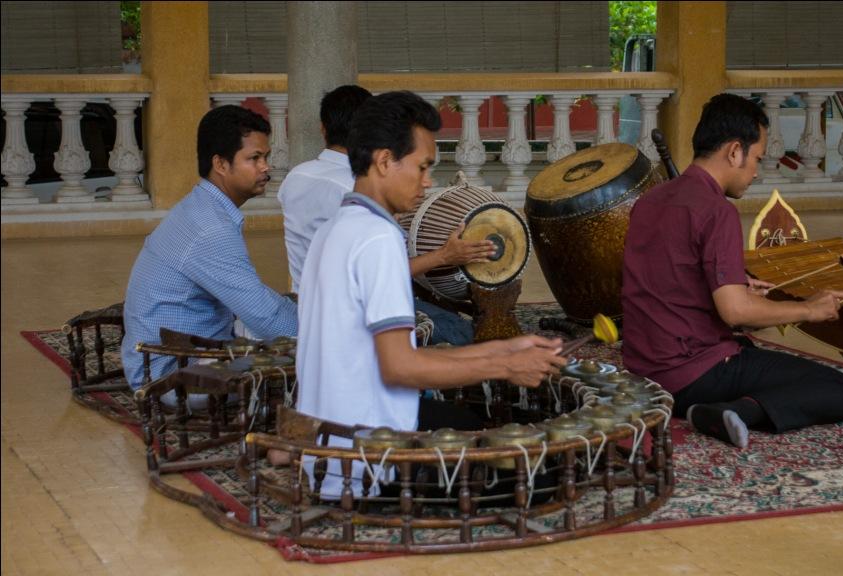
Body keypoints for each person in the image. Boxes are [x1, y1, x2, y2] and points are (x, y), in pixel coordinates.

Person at [295, 91, 565, 497]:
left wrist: (506, 350)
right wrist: (505, 369)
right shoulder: (377, 238)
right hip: (371, 470)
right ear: (385, 161)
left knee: (469, 424)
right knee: (543, 476)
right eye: (422, 167)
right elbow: (400, 368)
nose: (427, 182)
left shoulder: (333, 230)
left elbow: (386, 359)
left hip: (330, 451)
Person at [621, 93, 843, 449]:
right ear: (735, 151)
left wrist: (740, 287)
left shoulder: (650, 200)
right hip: (693, 376)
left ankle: (717, 407)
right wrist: (810, 309)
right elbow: (736, 312)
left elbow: (672, 280)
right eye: (757, 159)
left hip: (644, 375)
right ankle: (731, 412)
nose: (755, 172)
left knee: (752, 351)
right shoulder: (717, 211)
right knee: (841, 388)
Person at [278, 84, 491, 345]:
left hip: (308, 304)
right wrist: (445, 255)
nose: (426, 182)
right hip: (356, 315)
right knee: (465, 333)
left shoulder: (294, 178)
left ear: (324, 128)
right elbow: (396, 364)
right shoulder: (367, 211)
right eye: (422, 168)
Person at [121, 105, 298, 390]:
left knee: (278, 314)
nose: (266, 167)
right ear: (221, 164)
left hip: (167, 356)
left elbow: (254, 296)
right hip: (171, 374)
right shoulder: (211, 229)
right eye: (254, 158)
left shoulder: (202, 207)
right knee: (308, 359)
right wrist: (321, 335)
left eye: (265, 157)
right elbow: (266, 317)